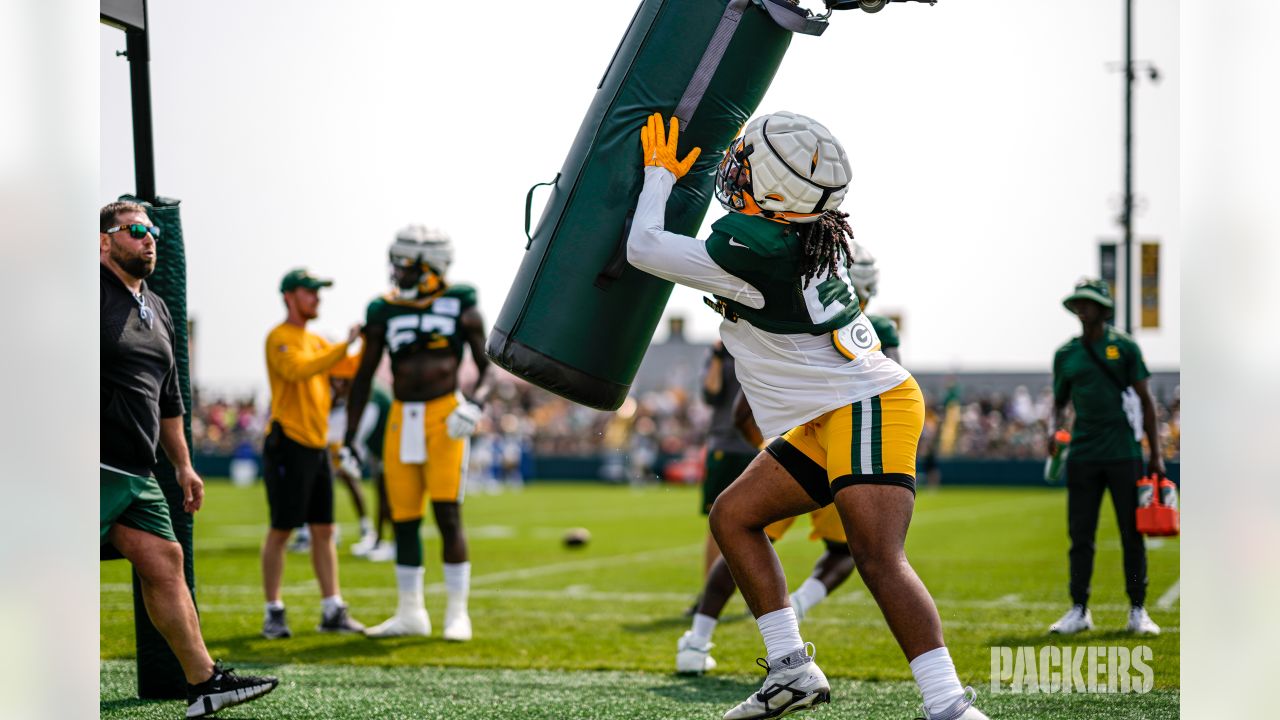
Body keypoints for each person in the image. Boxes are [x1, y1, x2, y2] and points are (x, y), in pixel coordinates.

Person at [627, 112, 987, 720]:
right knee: (734, 516)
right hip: (831, 411)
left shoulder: (758, 248)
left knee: (876, 557)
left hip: (866, 403)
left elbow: (642, 248)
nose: (734, 166)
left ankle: (948, 704)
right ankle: (790, 669)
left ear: (773, 195)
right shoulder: (802, 232)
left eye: (747, 163)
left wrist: (657, 178)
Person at [100, 201, 278, 716]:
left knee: (165, 560)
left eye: (152, 229)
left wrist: (182, 464)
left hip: (136, 470)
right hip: (86, 464)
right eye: (135, 230)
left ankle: (205, 684)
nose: (149, 238)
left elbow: (170, 399)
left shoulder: (156, 308)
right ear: (104, 241)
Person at [345, 225, 492, 641]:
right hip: (399, 417)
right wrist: (351, 437)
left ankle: (456, 613)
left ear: (430, 267)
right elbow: (364, 376)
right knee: (404, 517)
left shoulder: (461, 303)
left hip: (445, 416)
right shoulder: (383, 309)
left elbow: (488, 369)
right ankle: (411, 612)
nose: (397, 273)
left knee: (448, 514)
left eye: (404, 265)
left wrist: (474, 404)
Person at [677, 389, 854, 675]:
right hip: (846, 449)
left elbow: (741, 413)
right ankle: (799, 603)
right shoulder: (870, 347)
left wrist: (766, 447)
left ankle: (696, 642)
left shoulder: (777, 344)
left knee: (740, 538)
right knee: (850, 551)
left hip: (792, 450)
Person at [1047, 279, 1163, 636]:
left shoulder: (1124, 347)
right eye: (1078, 303)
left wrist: (1155, 454)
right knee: (1080, 536)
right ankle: (1079, 609)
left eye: (1089, 302)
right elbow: (1059, 403)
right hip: (1082, 454)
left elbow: (1146, 401)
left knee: (1132, 534)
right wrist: (1052, 433)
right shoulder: (1066, 355)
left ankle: (1137, 611)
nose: (1083, 308)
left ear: (1103, 308)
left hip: (1123, 454)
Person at [260, 268, 365, 639]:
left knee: (324, 529)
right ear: (289, 296)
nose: (317, 299)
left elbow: (348, 367)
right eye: (310, 292)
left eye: (318, 293)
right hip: (289, 443)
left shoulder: (317, 340)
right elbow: (299, 371)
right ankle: (273, 610)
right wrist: (346, 344)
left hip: (317, 445)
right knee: (281, 530)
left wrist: (371, 339)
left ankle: (332, 609)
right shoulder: (280, 338)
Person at [326, 352, 394, 558]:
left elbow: (361, 429)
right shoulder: (363, 387)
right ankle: (379, 539)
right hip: (381, 447)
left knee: (387, 494)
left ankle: (392, 543)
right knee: (381, 490)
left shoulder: (368, 392)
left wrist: (349, 452)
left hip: (391, 446)